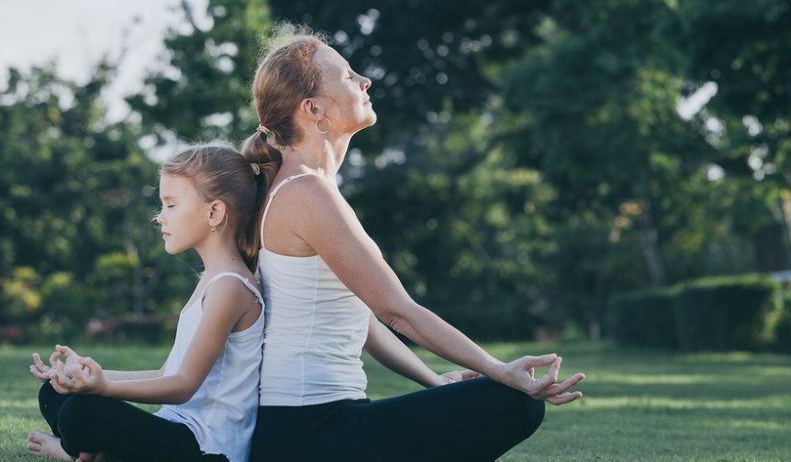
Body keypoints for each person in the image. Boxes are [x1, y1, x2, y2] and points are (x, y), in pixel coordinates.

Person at [242, 25, 586, 462]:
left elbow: (364, 320)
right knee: (513, 401)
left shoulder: (302, 188)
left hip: (312, 427)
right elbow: (398, 311)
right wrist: (499, 369)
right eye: (348, 76)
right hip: (310, 432)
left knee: (494, 396)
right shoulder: (307, 192)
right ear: (314, 109)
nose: (365, 81)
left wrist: (433, 381)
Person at [26, 145, 265, 462]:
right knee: (56, 393)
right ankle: (100, 454)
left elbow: (182, 386)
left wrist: (102, 388)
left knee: (81, 412)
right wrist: (82, 376)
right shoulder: (211, 279)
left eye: (171, 205)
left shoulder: (231, 287)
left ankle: (75, 454)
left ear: (214, 213)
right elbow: (165, 371)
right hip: (175, 432)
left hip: (207, 450)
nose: (159, 216)